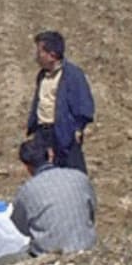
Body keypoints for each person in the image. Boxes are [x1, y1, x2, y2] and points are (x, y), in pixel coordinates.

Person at [11, 138, 96, 257]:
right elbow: (91, 211)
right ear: (51, 155)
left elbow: (20, 227)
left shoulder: (26, 191)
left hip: (49, 257)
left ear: (27, 166)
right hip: (86, 248)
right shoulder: (79, 177)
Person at [26, 29, 94, 174]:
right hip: (43, 135)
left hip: (64, 135)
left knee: (72, 174)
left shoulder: (73, 75)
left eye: (40, 52)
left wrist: (77, 129)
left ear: (52, 55)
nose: (36, 57)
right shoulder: (42, 76)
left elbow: (84, 104)